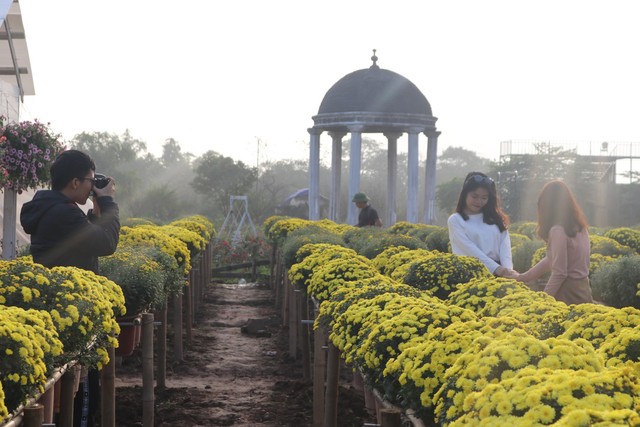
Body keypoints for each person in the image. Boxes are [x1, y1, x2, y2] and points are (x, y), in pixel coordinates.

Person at [20, 149, 119, 427]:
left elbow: (84, 241)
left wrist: (97, 214)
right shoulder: (62, 214)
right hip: (72, 317)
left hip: (65, 309)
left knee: (75, 399)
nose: (93, 186)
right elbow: (106, 244)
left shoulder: (53, 209)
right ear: (75, 182)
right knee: (81, 399)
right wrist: (109, 203)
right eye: (90, 181)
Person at [511, 180, 593, 304]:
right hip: (583, 289)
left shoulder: (558, 230)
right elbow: (551, 259)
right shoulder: (580, 227)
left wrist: (543, 302)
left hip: (567, 293)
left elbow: (560, 273)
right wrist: (524, 277)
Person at [447, 172, 514, 277]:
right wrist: (496, 268)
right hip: (471, 275)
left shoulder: (496, 219)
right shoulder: (456, 220)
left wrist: (508, 271)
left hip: (500, 273)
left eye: (484, 198)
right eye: (475, 196)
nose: (479, 201)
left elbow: (505, 247)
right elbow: (469, 249)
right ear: (465, 194)